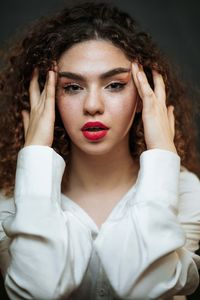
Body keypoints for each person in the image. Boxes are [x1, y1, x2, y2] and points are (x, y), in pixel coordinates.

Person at [0, 1, 200, 299]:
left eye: (115, 85)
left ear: (143, 97)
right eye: (72, 87)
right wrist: (36, 154)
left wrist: (162, 154)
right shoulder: (12, 201)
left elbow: (143, 287)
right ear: (48, 98)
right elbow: (39, 288)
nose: (93, 105)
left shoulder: (186, 192)